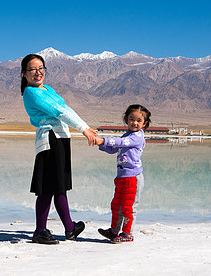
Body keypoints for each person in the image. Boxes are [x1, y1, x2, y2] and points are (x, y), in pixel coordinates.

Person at [21, 53, 98, 244]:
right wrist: (84, 128)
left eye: (41, 68)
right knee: (47, 188)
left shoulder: (48, 89)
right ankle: (40, 231)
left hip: (61, 139)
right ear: (24, 73)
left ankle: (70, 228)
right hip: (50, 141)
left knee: (60, 187)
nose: (38, 73)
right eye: (32, 69)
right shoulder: (31, 92)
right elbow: (59, 111)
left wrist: (84, 127)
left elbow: (65, 107)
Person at [95, 104, 151, 243]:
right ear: (126, 119)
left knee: (128, 207)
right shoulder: (127, 135)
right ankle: (114, 231)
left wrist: (104, 140)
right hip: (121, 178)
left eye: (139, 120)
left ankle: (127, 234)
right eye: (132, 119)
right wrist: (100, 144)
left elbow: (121, 142)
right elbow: (115, 148)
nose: (135, 123)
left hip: (132, 178)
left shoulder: (137, 137)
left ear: (144, 124)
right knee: (116, 205)